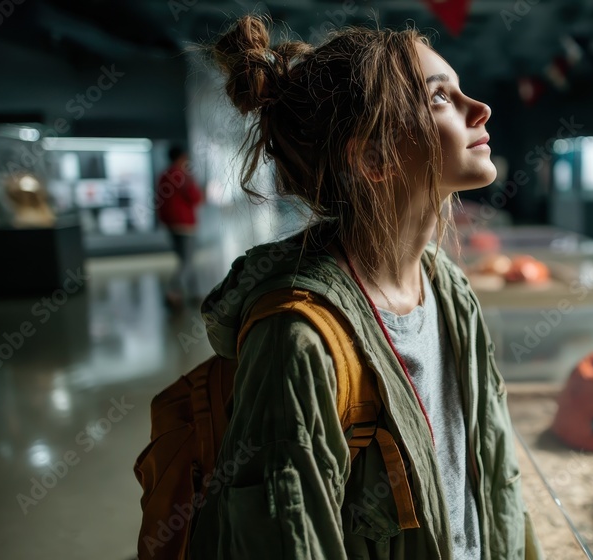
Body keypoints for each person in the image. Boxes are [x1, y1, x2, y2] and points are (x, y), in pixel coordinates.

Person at [189, 15, 543, 560]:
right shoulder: (298, 340)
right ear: (373, 158)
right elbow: (288, 541)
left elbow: (495, 476)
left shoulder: (447, 287)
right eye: (440, 97)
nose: (480, 109)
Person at [156, 145, 204, 308]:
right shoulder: (182, 174)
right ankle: (172, 291)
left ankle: (195, 293)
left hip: (171, 224)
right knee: (187, 261)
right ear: (182, 157)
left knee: (186, 259)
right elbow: (195, 197)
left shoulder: (164, 175)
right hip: (185, 224)